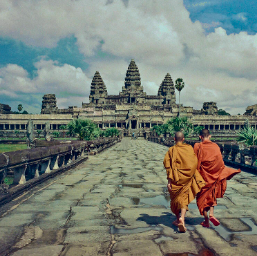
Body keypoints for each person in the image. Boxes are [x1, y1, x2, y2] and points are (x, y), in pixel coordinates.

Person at [194, 129, 241, 228]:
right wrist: (219, 172)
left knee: (202, 200)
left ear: (200, 137)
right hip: (214, 175)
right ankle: (211, 214)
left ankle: (206, 221)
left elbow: (194, 162)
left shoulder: (198, 146)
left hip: (203, 177)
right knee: (212, 195)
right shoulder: (215, 146)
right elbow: (220, 163)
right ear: (210, 136)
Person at [163, 131, 205, 232]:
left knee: (175, 199)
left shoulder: (171, 150)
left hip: (176, 178)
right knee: (184, 198)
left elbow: (168, 167)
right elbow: (194, 162)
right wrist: (191, 174)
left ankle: (179, 218)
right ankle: (181, 219)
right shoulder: (189, 148)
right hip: (187, 178)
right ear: (183, 139)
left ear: (174, 139)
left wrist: (169, 181)